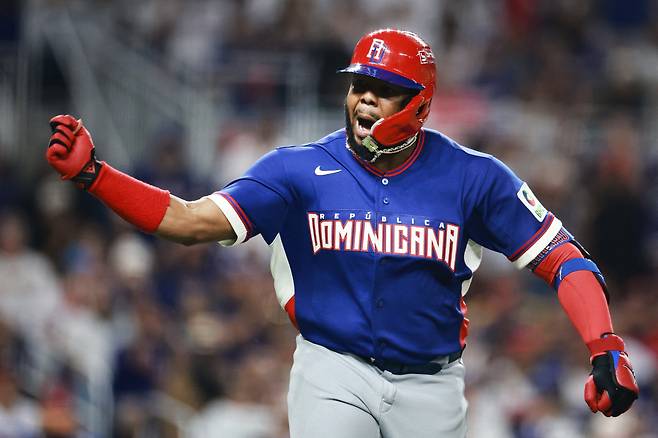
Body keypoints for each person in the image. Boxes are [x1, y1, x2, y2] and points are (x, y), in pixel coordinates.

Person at [45, 29, 638, 438]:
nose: (364, 99)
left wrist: (604, 345)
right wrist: (97, 176)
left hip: (432, 384)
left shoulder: (471, 177)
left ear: (420, 104)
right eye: (358, 84)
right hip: (333, 368)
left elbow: (565, 258)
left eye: (383, 90)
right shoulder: (296, 170)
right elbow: (188, 220)